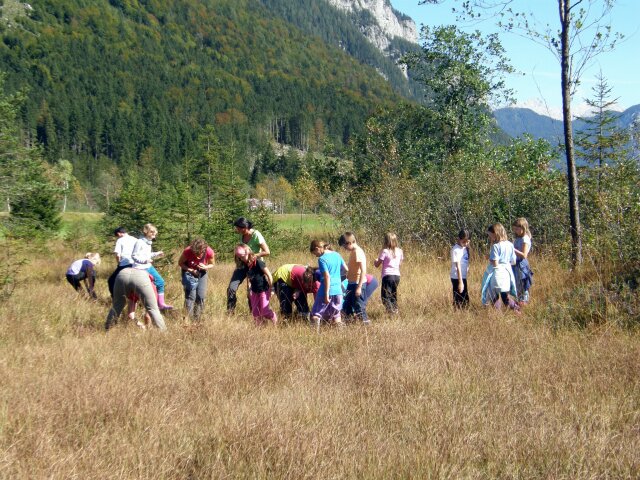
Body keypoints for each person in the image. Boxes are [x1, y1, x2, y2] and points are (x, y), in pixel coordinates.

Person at [227, 217, 270, 313]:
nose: (237, 230)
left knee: (251, 291)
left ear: (245, 227)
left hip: (255, 266)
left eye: (238, 228)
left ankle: (255, 314)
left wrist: (254, 255)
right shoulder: (242, 235)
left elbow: (267, 252)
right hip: (242, 264)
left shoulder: (256, 235)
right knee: (231, 288)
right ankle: (230, 312)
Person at [132, 223, 173, 310]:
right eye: (152, 232)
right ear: (146, 232)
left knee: (160, 282)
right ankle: (142, 305)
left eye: (155, 233)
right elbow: (134, 256)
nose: (154, 235)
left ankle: (161, 304)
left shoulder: (148, 243)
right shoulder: (140, 242)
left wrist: (157, 253)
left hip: (148, 267)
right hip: (140, 268)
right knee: (143, 288)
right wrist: (144, 261)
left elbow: (147, 254)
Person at [481, 223, 520, 312]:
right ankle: (516, 309)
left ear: (496, 234)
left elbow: (495, 262)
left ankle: (497, 314)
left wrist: (490, 259)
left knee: (494, 295)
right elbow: (513, 261)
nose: (490, 238)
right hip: (507, 273)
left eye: (491, 235)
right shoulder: (510, 244)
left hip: (497, 273)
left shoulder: (495, 246)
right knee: (505, 295)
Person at [234, 244, 276, 326]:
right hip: (254, 291)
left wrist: (272, 289)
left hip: (264, 290)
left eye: (243, 257)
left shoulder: (258, 263)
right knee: (255, 314)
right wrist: (249, 290)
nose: (242, 259)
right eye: (240, 258)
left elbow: (269, 275)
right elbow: (250, 278)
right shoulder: (246, 265)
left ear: (248, 253)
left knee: (265, 312)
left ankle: (274, 319)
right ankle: (260, 329)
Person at [178, 237, 216, 320]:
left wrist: (205, 266)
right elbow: (180, 263)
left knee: (201, 296)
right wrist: (191, 270)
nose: (198, 256)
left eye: (200, 253)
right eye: (196, 253)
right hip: (188, 273)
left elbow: (212, 264)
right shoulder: (187, 251)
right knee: (190, 296)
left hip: (202, 272)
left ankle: (197, 319)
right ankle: (188, 318)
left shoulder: (209, 251)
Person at [310, 240, 345, 327]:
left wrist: (326, 295)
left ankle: (315, 337)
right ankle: (340, 336)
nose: (316, 255)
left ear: (317, 248)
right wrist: (337, 278)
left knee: (316, 314)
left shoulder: (322, 259)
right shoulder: (337, 255)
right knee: (336, 314)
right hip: (338, 291)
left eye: (315, 253)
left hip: (326, 291)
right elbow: (346, 269)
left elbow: (327, 277)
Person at [338, 232, 369, 324]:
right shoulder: (353, 251)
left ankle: (365, 324)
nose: (345, 249)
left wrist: (359, 287)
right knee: (347, 304)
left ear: (349, 243)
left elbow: (363, 270)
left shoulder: (358, 252)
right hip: (351, 283)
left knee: (358, 305)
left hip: (357, 284)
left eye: (345, 246)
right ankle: (348, 322)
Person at [374, 232, 404, 314]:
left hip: (387, 276)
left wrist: (375, 261)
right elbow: (400, 264)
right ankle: (395, 309)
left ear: (386, 241)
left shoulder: (385, 251)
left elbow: (377, 264)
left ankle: (391, 312)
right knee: (393, 294)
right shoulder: (400, 251)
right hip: (397, 276)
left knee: (385, 296)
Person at [107, 226, 137, 297]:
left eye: (117, 236)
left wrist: (119, 263)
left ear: (119, 233)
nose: (117, 237)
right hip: (135, 264)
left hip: (124, 264)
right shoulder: (135, 239)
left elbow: (117, 255)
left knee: (111, 281)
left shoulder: (120, 240)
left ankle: (115, 298)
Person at [512, 217, 533, 305]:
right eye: (514, 229)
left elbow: (524, 255)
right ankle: (519, 304)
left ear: (523, 228)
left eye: (517, 229)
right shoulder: (518, 239)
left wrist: (512, 249)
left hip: (522, 265)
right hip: (515, 265)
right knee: (517, 286)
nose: (515, 231)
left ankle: (524, 304)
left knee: (523, 286)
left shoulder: (525, 239)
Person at [450, 229, 471, 309]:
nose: (465, 244)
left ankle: (464, 311)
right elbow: (458, 267)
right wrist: (460, 282)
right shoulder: (455, 250)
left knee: (465, 298)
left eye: (467, 242)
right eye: (464, 242)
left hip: (463, 276)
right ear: (458, 239)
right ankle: (457, 312)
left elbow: (467, 259)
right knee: (458, 298)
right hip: (457, 277)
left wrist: (468, 247)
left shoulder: (465, 248)